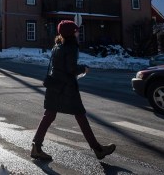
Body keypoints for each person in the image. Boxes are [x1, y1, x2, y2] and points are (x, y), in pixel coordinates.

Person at [31, 20, 116, 161]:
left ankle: (36, 146)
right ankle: (98, 149)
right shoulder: (71, 47)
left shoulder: (57, 45)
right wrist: (84, 68)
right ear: (71, 33)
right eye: (76, 30)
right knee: (81, 116)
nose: (77, 32)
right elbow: (71, 68)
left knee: (49, 116)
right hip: (67, 89)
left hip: (54, 86)